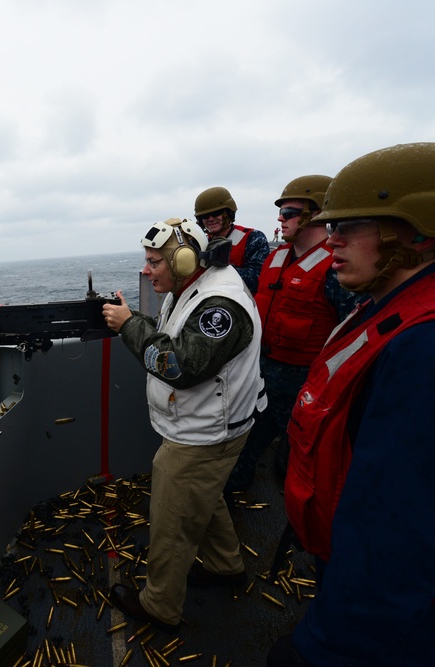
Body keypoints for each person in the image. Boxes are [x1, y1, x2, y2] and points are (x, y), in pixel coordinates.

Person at [267, 143, 435, 667]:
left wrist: (326, 646)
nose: (332, 240)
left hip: (426, 616)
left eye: (351, 226)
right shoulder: (395, 306)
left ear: (420, 234)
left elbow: (404, 542)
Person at [102, 218, 267, 632]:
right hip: (204, 426)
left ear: (184, 260)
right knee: (202, 498)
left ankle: (160, 605)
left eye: (154, 261)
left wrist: (129, 325)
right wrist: (135, 319)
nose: (146, 270)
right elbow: (175, 335)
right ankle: (225, 565)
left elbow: (180, 365)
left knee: (172, 522)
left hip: (203, 435)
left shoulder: (220, 304)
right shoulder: (191, 288)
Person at [226, 175, 359, 492]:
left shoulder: (335, 268)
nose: (280, 219)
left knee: (302, 465)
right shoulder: (275, 258)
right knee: (241, 452)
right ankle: (228, 505)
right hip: (262, 378)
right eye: (281, 212)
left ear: (317, 215)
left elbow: (352, 338)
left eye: (289, 213)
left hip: (304, 388)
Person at [194, 186, 270, 293]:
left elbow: (258, 278)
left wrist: (219, 270)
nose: (210, 219)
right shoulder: (201, 243)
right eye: (205, 216)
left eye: (216, 213)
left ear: (228, 213)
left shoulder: (253, 238)